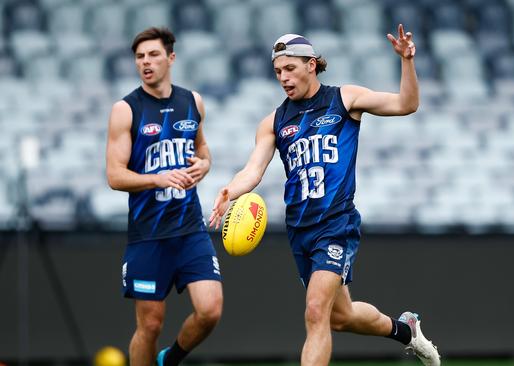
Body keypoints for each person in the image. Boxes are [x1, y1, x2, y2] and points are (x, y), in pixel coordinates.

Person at [209, 24, 440, 366]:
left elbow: (407, 104)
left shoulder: (344, 98)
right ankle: (405, 330)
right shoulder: (273, 121)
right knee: (340, 316)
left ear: (311, 64)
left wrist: (407, 61)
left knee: (316, 310)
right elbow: (253, 169)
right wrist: (231, 189)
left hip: (336, 222)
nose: (283, 77)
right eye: (277, 71)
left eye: (289, 68)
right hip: (300, 230)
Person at [106, 27, 222, 366]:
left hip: (190, 229)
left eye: (153, 55)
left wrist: (204, 165)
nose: (145, 62)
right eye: (140, 57)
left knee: (211, 310)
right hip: (149, 234)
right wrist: (157, 179)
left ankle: (170, 359)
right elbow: (114, 175)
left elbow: (202, 149)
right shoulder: (126, 110)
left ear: (170, 58)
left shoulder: (192, 101)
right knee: (150, 324)